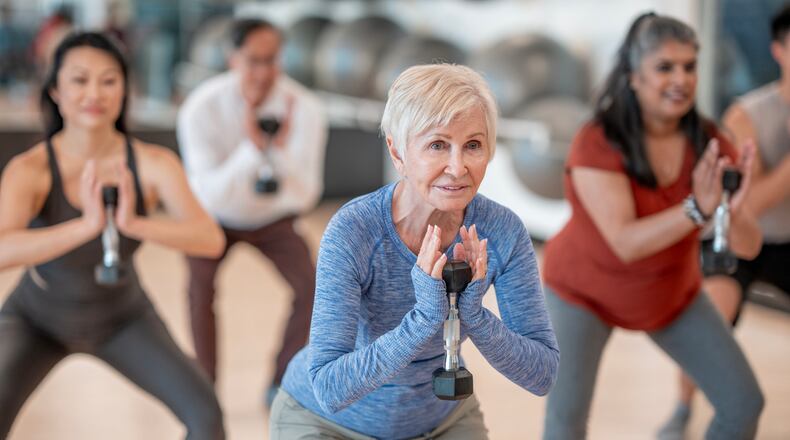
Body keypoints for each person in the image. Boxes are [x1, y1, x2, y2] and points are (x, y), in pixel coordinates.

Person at [270, 64, 559, 439]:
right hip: (325, 422)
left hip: (440, 421)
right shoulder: (354, 231)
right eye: (438, 145)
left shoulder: (501, 232)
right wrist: (424, 318)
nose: (457, 167)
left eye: (473, 145)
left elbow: (542, 374)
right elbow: (329, 387)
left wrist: (473, 314)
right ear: (397, 151)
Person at [541, 13, 765, 440]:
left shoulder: (711, 143)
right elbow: (625, 242)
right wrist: (697, 209)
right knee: (565, 422)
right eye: (665, 67)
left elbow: (749, 246)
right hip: (581, 292)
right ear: (634, 77)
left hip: (669, 294)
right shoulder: (597, 140)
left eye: (689, 66)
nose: (681, 79)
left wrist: (733, 211)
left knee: (743, 404)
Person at [0, 32, 225, 439]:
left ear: (124, 90)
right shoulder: (30, 170)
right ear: (55, 91)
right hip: (36, 318)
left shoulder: (153, 164)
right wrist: (84, 226)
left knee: (205, 417)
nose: (95, 93)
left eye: (108, 80)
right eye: (79, 80)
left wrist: (135, 224)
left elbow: (209, 239)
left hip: (123, 317)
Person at [177, 17, 327, 405]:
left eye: (272, 60)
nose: (263, 72)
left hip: (274, 219)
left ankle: (280, 381)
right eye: (253, 61)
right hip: (213, 218)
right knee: (198, 290)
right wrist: (252, 149)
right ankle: (204, 389)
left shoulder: (305, 109)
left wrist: (278, 153)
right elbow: (207, 192)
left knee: (314, 290)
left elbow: (306, 195)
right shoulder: (201, 107)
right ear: (233, 58)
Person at [658, 4, 790, 438]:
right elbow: (751, 202)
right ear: (778, 51)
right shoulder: (747, 114)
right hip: (737, 236)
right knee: (710, 317)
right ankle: (681, 408)